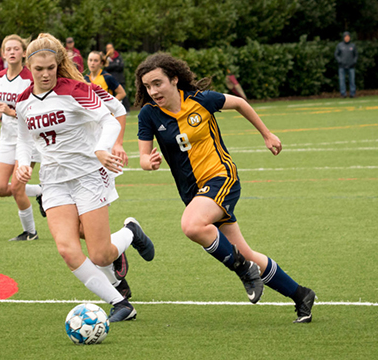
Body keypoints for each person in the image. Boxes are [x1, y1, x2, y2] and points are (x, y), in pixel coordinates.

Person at [135, 53, 315, 323]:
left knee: (192, 226)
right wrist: (150, 162)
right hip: (195, 194)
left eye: (158, 83)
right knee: (246, 251)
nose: (153, 91)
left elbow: (240, 103)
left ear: (174, 79)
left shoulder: (200, 100)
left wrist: (267, 134)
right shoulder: (149, 115)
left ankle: (242, 269)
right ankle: (301, 295)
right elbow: (143, 159)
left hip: (221, 177)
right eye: (147, 86)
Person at [14, 33, 154, 322]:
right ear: (28, 67)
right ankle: (121, 303)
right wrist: (22, 164)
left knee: (101, 255)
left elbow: (109, 118)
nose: (44, 74)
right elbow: (24, 138)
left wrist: (104, 148)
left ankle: (131, 231)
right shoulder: (23, 102)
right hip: (53, 180)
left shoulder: (76, 89)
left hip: (88, 175)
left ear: (58, 64)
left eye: (50, 68)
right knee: (67, 249)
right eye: (38, 69)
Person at [0, 34, 45, 241]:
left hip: (27, 138)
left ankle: (30, 233)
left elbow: (36, 112)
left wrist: (11, 112)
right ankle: (41, 191)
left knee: (17, 188)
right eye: (8, 49)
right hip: (6, 138)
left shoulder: (30, 78)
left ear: (23, 52)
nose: (12, 52)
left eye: (16, 48)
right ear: (3, 54)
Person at [104, 43, 130, 111]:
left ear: (113, 49)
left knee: (123, 95)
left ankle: (126, 110)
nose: (109, 50)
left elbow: (121, 67)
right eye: (107, 49)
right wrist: (115, 65)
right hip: (110, 81)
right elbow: (105, 68)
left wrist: (110, 65)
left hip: (120, 79)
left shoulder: (118, 57)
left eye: (110, 48)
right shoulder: (106, 58)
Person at [335, 31, 358, 98]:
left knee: (352, 81)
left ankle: (352, 94)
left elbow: (356, 55)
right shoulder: (340, 45)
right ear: (343, 37)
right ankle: (343, 94)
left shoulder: (352, 46)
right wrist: (340, 61)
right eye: (346, 37)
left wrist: (354, 62)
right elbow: (336, 55)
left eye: (348, 37)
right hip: (342, 66)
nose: (347, 38)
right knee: (342, 80)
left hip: (351, 66)